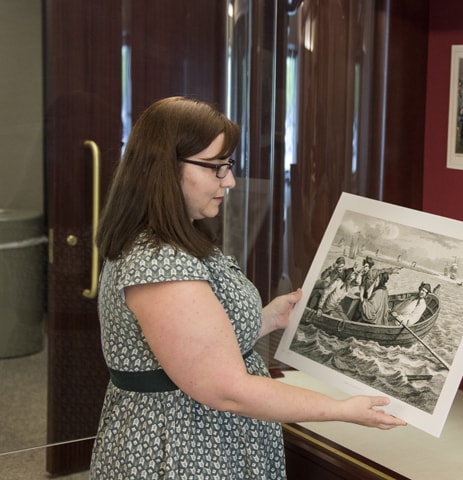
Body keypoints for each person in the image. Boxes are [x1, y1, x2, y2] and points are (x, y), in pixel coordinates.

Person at [89, 96, 405, 479]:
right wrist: (340, 409)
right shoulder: (158, 264)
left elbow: (196, 345)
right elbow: (226, 388)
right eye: (216, 168)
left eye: (229, 166)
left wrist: (270, 318)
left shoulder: (175, 239)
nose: (230, 181)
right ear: (165, 169)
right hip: (180, 447)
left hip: (204, 436)